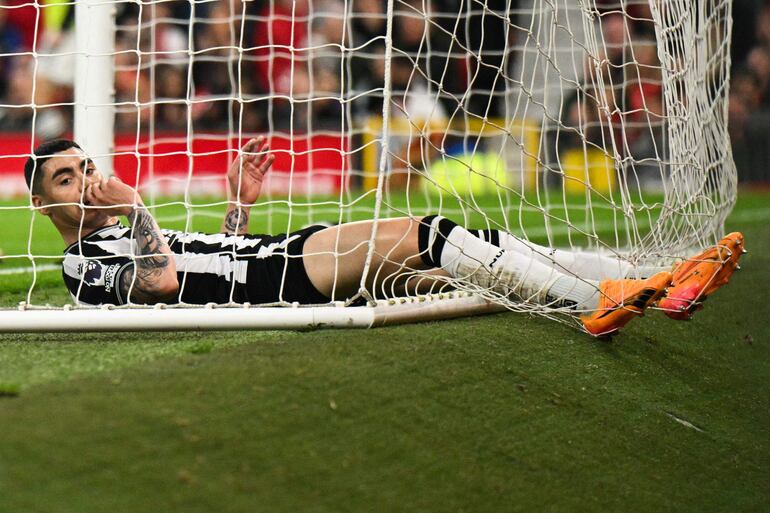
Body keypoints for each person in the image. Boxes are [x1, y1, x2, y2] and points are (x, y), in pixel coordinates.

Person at [23, 139, 744, 336]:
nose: (87, 182)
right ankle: (600, 297)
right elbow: (162, 282)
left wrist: (238, 207)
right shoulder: (81, 264)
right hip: (287, 281)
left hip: (277, 252)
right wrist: (138, 203)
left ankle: (650, 276)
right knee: (430, 233)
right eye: (67, 179)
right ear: (41, 203)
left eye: (89, 168)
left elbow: (214, 256)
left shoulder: (119, 230)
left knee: (472, 256)